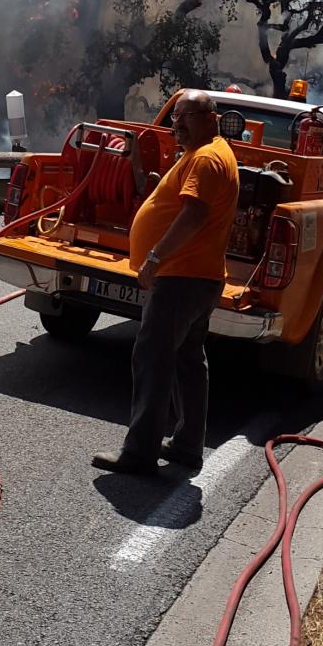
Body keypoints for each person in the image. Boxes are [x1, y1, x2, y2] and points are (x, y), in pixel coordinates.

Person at [93, 90, 239, 475]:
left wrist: (154, 258)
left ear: (210, 118)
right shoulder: (210, 153)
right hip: (199, 277)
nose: (176, 126)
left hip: (182, 277)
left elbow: (193, 215)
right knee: (188, 360)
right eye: (173, 118)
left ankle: (140, 453)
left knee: (153, 359)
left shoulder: (207, 158)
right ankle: (188, 445)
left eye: (184, 117)